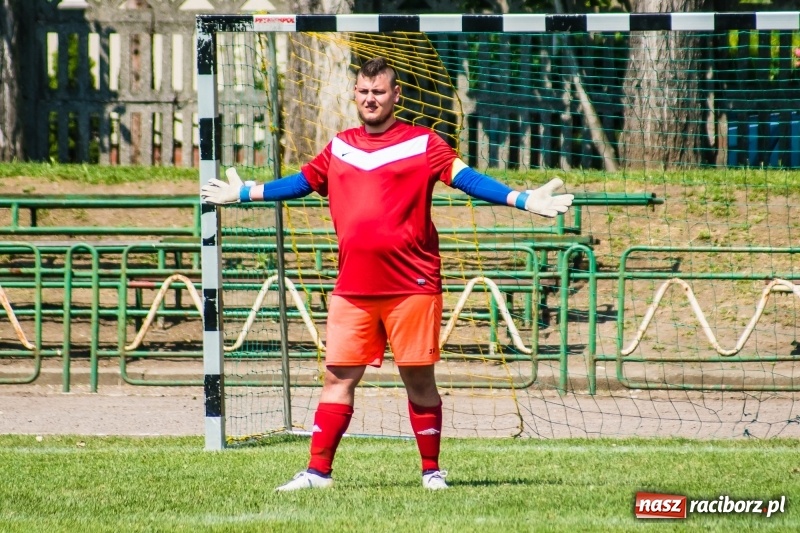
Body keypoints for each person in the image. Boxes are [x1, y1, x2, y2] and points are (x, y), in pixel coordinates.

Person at [201, 57, 574, 491]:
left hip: (411, 286)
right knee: (337, 377)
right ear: (355, 94)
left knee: (418, 379)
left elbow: (468, 179)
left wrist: (522, 200)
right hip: (353, 289)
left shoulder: (424, 143)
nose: (370, 98)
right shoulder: (339, 146)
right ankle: (318, 473)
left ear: (396, 95)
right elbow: (301, 182)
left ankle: (431, 472)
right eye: (363, 91)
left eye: (379, 91)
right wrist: (244, 192)